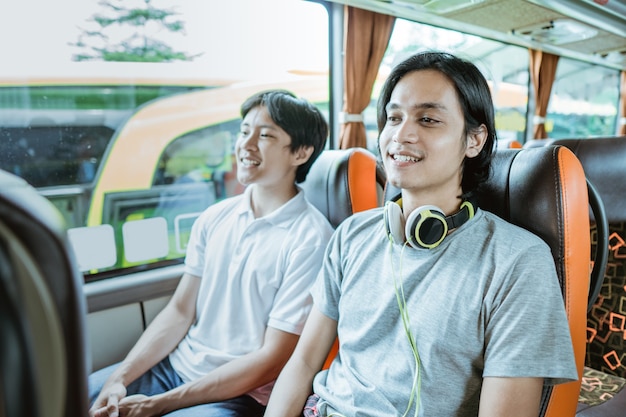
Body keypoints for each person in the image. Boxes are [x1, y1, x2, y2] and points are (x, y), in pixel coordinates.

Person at [264, 51, 578, 417]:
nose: (401, 134)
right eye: (393, 117)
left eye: (428, 119)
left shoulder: (517, 261)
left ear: (474, 140)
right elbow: (302, 364)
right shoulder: (352, 235)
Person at [88, 89, 334, 417]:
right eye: (244, 131)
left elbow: (272, 358)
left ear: (301, 153)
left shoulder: (312, 240)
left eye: (265, 135)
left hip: (240, 393)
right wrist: (119, 379)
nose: (246, 145)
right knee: (80, 393)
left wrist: (157, 405)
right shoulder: (216, 216)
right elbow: (179, 311)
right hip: (173, 368)